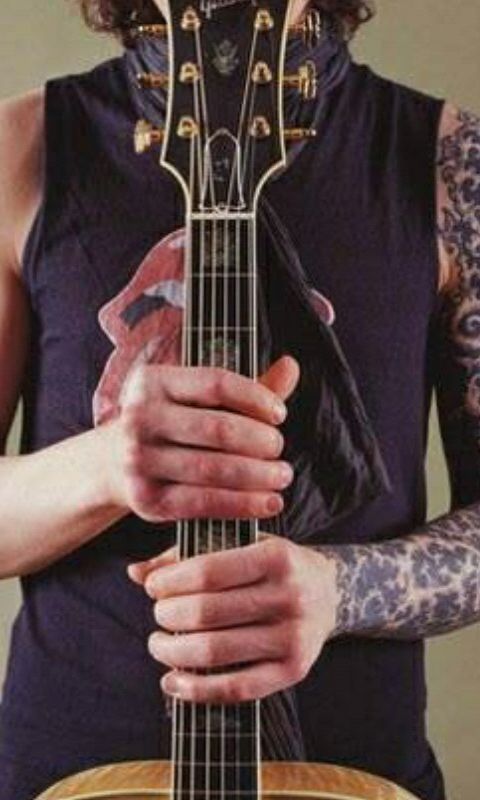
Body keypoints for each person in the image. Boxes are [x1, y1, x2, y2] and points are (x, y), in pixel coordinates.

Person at [0, 0, 479, 798]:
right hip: (68, 781)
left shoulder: (450, 164)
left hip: (358, 780)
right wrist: (107, 467)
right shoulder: (21, 149)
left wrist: (341, 589)